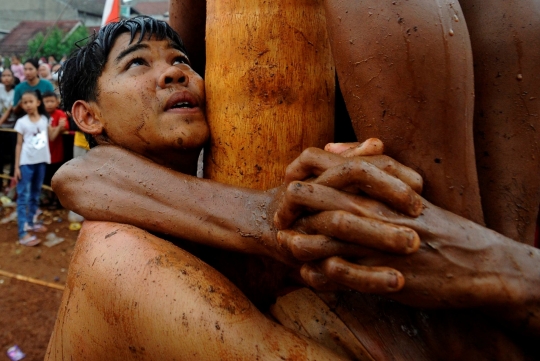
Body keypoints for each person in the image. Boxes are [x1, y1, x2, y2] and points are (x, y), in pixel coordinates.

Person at [46, 17, 426, 360]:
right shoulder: (116, 253)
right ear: (88, 116)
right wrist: (274, 219)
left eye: (181, 60)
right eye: (137, 63)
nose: (174, 73)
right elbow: (79, 174)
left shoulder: (204, 190)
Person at [13, 90, 51, 246]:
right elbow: (19, 144)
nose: (27, 105)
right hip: (26, 163)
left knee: (35, 193)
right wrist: (16, 167)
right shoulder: (21, 122)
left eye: (30, 101)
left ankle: (30, 222)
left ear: (38, 103)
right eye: (24, 102)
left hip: (41, 161)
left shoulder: (44, 120)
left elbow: (49, 137)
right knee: (23, 195)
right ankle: (22, 232)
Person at [42, 91, 68, 199]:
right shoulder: (41, 115)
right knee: (45, 176)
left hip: (56, 152)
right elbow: (56, 131)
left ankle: (55, 198)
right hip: (43, 152)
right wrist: (58, 128)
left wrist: (56, 129)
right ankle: (46, 197)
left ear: (57, 102)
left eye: (51, 101)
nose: (49, 104)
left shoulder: (60, 114)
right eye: (46, 102)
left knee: (55, 175)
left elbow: (65, 126)